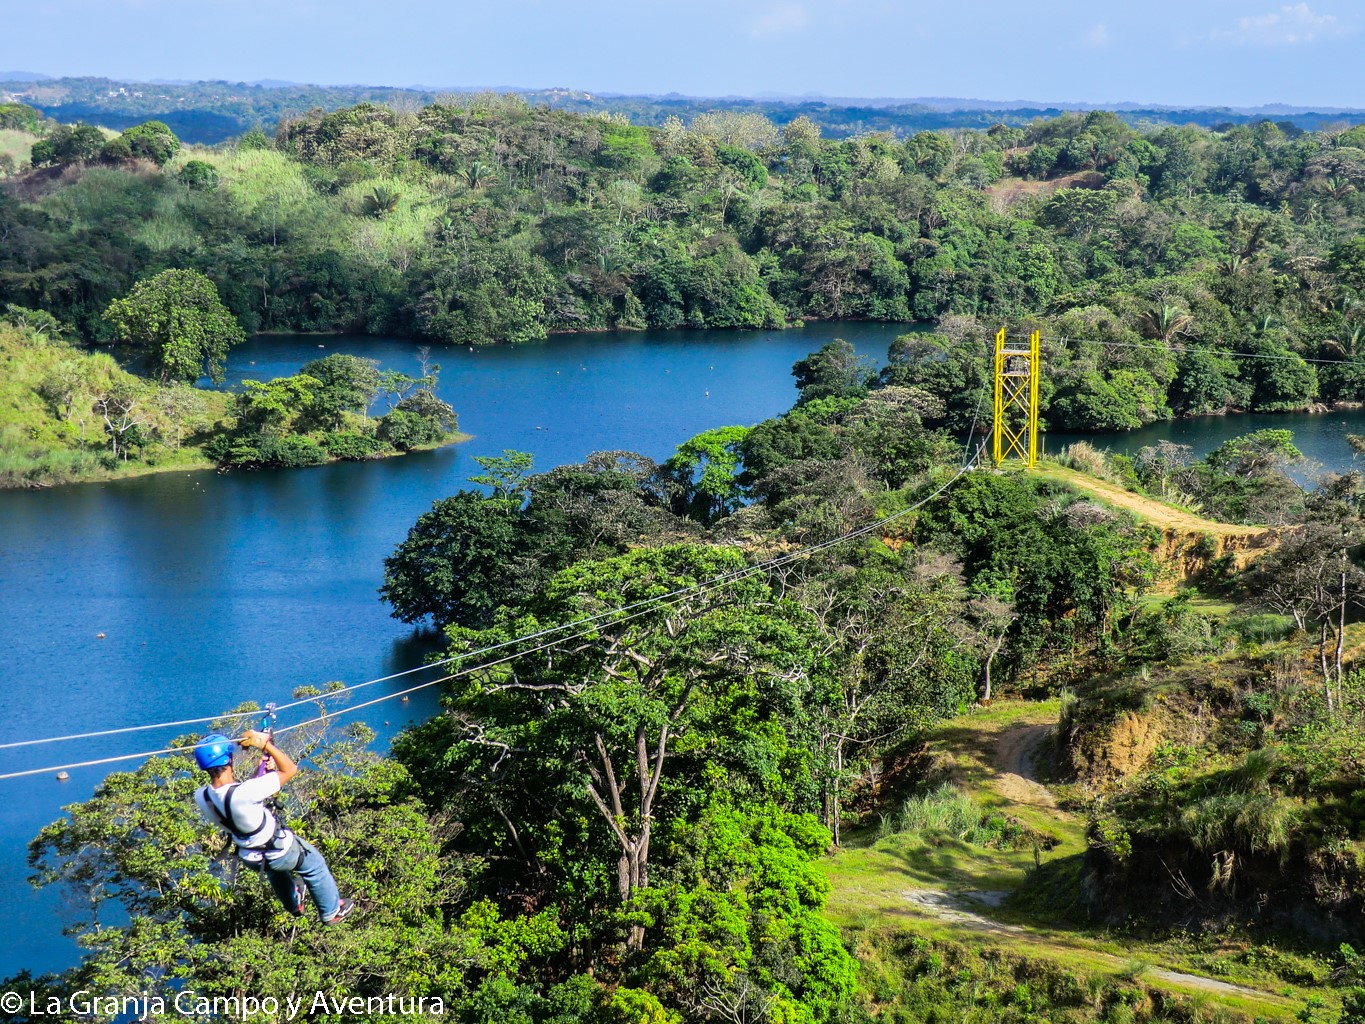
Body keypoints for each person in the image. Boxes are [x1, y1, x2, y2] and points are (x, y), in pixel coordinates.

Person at [193, 729, 354, 925]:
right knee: (315, 866)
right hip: (280, 850)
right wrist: (266, 745)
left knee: (274, 871)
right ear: (229, 760)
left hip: (249, 856)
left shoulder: (202, 796)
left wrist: (261, 768)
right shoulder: (245, 792)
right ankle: (331, 912)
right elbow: (290, 770)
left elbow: (236, 794)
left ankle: (294, 904)